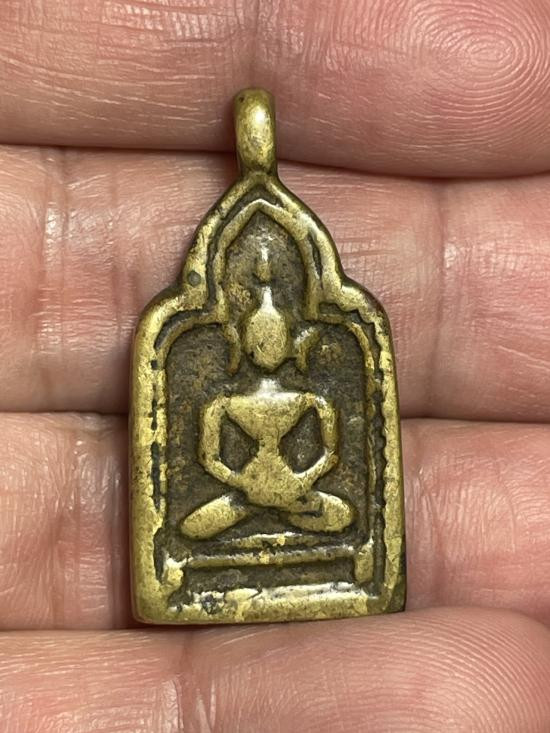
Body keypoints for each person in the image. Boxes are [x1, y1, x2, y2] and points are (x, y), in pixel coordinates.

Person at [0, 0, 549, 730]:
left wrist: (295, 484)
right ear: (237, 338)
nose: (264, 346)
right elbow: (205, 456)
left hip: (295, 496)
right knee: (196, 526)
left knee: (344, 516)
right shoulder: (224, 401)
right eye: (252, 338)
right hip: (244, 497)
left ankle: (331, 558)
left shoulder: (308, 397)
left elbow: (329, 451)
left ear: (290, 339)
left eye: (274, 338)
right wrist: (242, 484)